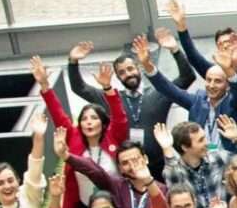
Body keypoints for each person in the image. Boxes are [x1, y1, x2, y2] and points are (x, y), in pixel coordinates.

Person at [66, 31, 196, 179]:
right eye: (121, 72)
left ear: (138, 68)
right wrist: (73, 62)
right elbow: (79, 88)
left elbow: (187, 77)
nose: (128, 74)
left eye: (130, 69)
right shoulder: (111, 98)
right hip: (127, 170)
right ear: (117, 77)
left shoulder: (158, 92)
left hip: (160, 165)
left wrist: (175, 50)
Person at [33, 55, 129, 208]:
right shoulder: (73, 136)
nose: (88, 122)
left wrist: (108, 88)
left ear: (103, 122)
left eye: (93, 118)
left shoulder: (113, 136)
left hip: (117, 206)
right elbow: (58, 114)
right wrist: (44, 86)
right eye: (84, 119)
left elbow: (120, 118)